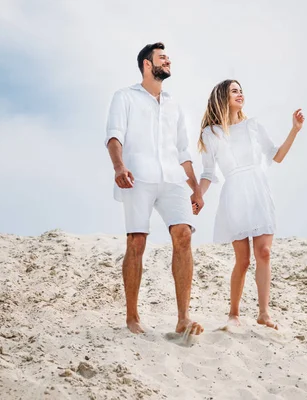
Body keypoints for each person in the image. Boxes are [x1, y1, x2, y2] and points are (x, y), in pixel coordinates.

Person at [105, 42, 204, 336]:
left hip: (172, 178)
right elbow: (114, 136)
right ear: (147, 64)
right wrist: (118, 167)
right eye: (162, 57)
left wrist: (196, 188)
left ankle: (183, 317)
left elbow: (183, 150)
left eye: (168, 57)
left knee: (183, 234)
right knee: (136, 242)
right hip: (138, 176)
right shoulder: (124, 97)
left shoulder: (174, 104)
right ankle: (132, 318)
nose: (168, 60)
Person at [196, 79, 305, 329]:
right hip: (234, 194)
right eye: (234, 91)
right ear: (222, 97)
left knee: (264, 252)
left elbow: (276, 155)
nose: (240, 94)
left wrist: (295, 130)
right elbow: (208, 172)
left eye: (241, 91)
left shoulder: (253, 126)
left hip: (258, 191)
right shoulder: (210, 133)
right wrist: (199, 195)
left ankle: (264, 313)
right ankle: (233, 314)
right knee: (243, 260)